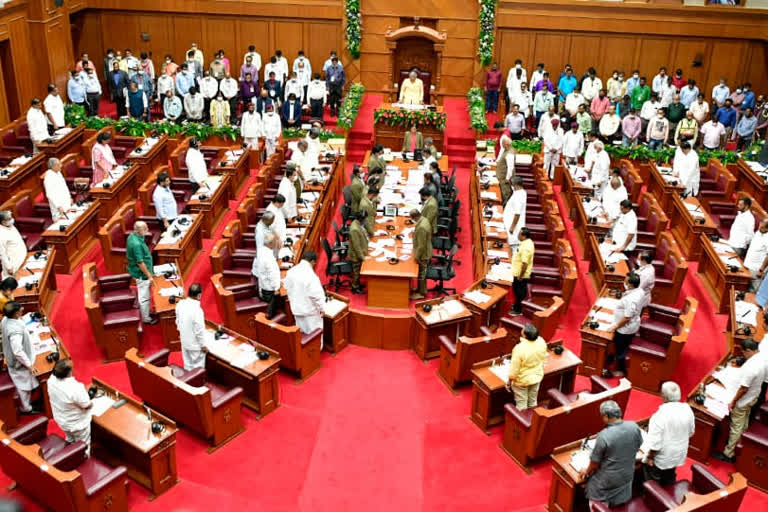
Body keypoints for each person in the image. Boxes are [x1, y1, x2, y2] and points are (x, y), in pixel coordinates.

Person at [582, 401, 643, 509]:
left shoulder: (603, 436)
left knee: (590, 485)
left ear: (606, 416)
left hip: (606, 484)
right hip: (626, 477)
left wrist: (585, 471)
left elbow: (594, 465)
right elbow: (637, 446)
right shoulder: (634, 426)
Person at [714, 339, 766, 463]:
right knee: (743, 421)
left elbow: (743, 388)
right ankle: (741, 442)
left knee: (736, 426)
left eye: (743, 352)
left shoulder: (752, 367)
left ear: (748, 350)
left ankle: (728, 453)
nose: (743, 355)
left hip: (744, 400)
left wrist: (732, 402)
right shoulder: (762, 358)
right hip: (754, 396)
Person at [643, 381, 695, 485]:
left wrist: (649, 458)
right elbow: (691, 432)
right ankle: (669, 494)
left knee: (651, 480)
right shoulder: (687, 409)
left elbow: (655, 445)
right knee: (670, 476)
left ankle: (653, 496)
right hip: (679, 454)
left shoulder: (659, 416)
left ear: (664, 397)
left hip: (661, 459)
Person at [47, 359, 93, 453]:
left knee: (70, 438)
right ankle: (83, 461)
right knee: (84, 445)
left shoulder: (51, 380)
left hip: (62, 421)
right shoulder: (75, 388)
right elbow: (87, 405)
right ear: (68, 373)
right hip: (77, 425)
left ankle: (69, 454)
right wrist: (92, 402)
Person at [1, 301, 39, 414]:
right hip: (19, 363)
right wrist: (29, 364)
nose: (22, 309)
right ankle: (26, 408)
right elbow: (17, 351)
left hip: (16, 356)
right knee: (23, 386)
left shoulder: (5, 319)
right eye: (20, 310)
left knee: (26, 382)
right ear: (16, 314)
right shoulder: (15, 332)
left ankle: (29, 402)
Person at [606, 272, 643, 377]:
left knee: (621, 349)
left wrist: (615, 326)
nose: (624, 283)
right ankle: (611, 357)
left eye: (625, 281)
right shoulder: (639, 290)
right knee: (619, 345)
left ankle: (621, 370)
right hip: (632, 324)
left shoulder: (631, 300)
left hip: (625, 329)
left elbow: (627, 317)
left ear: (631, 285)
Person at [505, 323, 547, 410]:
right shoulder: (541, 341)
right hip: (537, 377)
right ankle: (532, 421)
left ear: (525, 335)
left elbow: (514, 371)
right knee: (533, 402)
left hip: (522, 381)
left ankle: (522, 422)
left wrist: (509, 382)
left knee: (522, 405)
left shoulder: (519, 349)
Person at [284, 251, 325, 339]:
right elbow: (317, 296)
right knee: (314, 338)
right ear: (313, 262)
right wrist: (323, 309)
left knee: (301, 335)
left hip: (296, 309)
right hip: (310, 313)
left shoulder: (291, 271)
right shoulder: (312, 276)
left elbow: (286, 287)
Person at [127, 221, 156, 325]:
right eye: (145, 228)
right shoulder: (136, 244)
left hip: (141, 271)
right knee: (144, 297)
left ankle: (147, 313)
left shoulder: (132, 236)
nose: (147, 230)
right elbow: (140, 262)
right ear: (139, 230)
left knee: (145, 294)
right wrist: (149, 276)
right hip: (141, 274)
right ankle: (146, 318)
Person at [175, 283, 207, 370]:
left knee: (187, 364)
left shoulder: (180, 304)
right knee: (198, 369)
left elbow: (177, 321)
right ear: (199, 295)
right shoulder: (197, 311)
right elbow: (199, 331)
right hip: (195, 346)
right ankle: (197, 383)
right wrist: (203, 345)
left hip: (184, 341)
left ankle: (188, 380)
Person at [253, 233, 280, 318]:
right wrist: (276, 288)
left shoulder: (261, 251)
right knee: (270, 312)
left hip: (264, 285)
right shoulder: (267, 257)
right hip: (269, 288)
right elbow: (271, 273)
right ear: (271, 243)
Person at [509, 227, 534, 315]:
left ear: (524, 236)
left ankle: (518, 310)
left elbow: (525, 264)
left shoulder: (526, 247)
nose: (518, 235)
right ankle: (516, 305)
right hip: (518, 272)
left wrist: (520, 275)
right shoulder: (527, 242)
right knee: (517, 290)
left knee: (519, 292)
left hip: (521, 275)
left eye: (519, 234)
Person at [410, 209, 432, 300]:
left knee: (422, 274)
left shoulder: (422, 227)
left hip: (424, 254)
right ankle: (419, 289)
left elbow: (422, 245)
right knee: (420, 273)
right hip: (426, 249)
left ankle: (421, 293)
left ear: (415, 217)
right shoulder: (424, 219)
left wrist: (416, 256)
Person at [0, 211, 26, 279]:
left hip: (22, 257)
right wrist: (9, 267)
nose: (12, 220)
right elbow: (2, 253)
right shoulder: (1, 234)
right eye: (9, 219)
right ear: (3, 222)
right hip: (13, 263)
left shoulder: (10, 225)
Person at [744, 218, 768, 292]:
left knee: (752, 290)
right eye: (759, 226)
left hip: (756, 269)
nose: (759, 228)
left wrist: (761, 270)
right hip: (747, 264)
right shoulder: (758, 232)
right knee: (743, 287)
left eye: (762, 227)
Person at [348, 210, 368, 294]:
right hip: (356, 255)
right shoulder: (354, 229)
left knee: (358, 270)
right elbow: (357, 246)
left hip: (360, 251)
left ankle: (357, 283)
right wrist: (362, 257)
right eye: (365, 219)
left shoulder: (357, 224)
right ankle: (355, 286)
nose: (366, 220)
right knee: (357, 271)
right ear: (361, 219)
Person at [504, 177, 527, 249]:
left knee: (512, 247)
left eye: (512, 185)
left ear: (516, 186)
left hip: (513, 228)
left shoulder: (518, 196)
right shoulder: (521, 192)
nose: (511, 186)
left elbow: (517, 213)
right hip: (511, 223)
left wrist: (512, 227)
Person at [496, 137, 515, 204]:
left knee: (505, 195)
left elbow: (510, 167)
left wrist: (507, 178)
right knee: (503, 194)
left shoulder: (509, 153)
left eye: (502, 144)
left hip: (505, 179)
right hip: (502, 178)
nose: (502, 145)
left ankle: (504, 210)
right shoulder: (507, 150)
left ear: (506, 144)